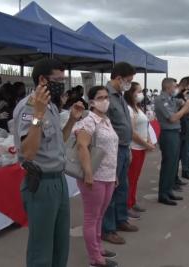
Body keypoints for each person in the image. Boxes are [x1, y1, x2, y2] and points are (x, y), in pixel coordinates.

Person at [13, 58, 84, 267]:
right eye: (57, 80)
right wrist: (37, 115)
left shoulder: (51, 106)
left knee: (61, 243)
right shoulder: (30, 108)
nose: (61, 84)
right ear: (42, 79)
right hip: (41, 183)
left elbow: (57, 142)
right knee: (41, 248)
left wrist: (71, 120)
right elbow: (28, 152)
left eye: (63, 80)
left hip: (58, 180)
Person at [74, 85, 119, 267]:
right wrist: (88, 173)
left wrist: (114, 174)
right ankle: (95, 258)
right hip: (94, 176)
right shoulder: (89, 121)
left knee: (100, 215)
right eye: (100, 97)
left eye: (106, 97)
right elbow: (81, 146)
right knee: (92, 217)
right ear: (91, 102)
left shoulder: (106, 120)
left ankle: (98, 247)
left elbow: (111, 149)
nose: (105, 100)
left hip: (108, 175)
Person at [155, 78, 189, 206]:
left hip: (175, 133)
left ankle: (168, 190)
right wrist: (186, 107)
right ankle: (163, 194)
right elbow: (173, 118)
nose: (178, 89)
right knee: (168, 165)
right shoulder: (161, 100)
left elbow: (188, 105)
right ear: (168, 87)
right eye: (175, 86)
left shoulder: (171, 99)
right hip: (168, 134)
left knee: (173, 164)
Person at [102, 62, 137, 245]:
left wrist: (128, 147)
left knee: (122, 185)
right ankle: (108, 229)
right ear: (118, 78)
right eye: (128, 81)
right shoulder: (105, 96)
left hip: (123, 147)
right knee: (110, 190)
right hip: (111, 150)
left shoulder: (120, 96)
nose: (129, 84)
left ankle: (120, 219)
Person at [124, 82, 155, 219]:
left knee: (135, 178)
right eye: (139, 91)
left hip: (141, 147)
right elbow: (132, 132)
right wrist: (145, 144)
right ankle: (127, 205)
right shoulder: (129, 109)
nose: (141, 94)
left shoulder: (137, 108)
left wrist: (148, 140)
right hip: (134, 147)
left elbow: (145, 126)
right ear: (131, 93)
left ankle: (132, 201)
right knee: (130, 178)